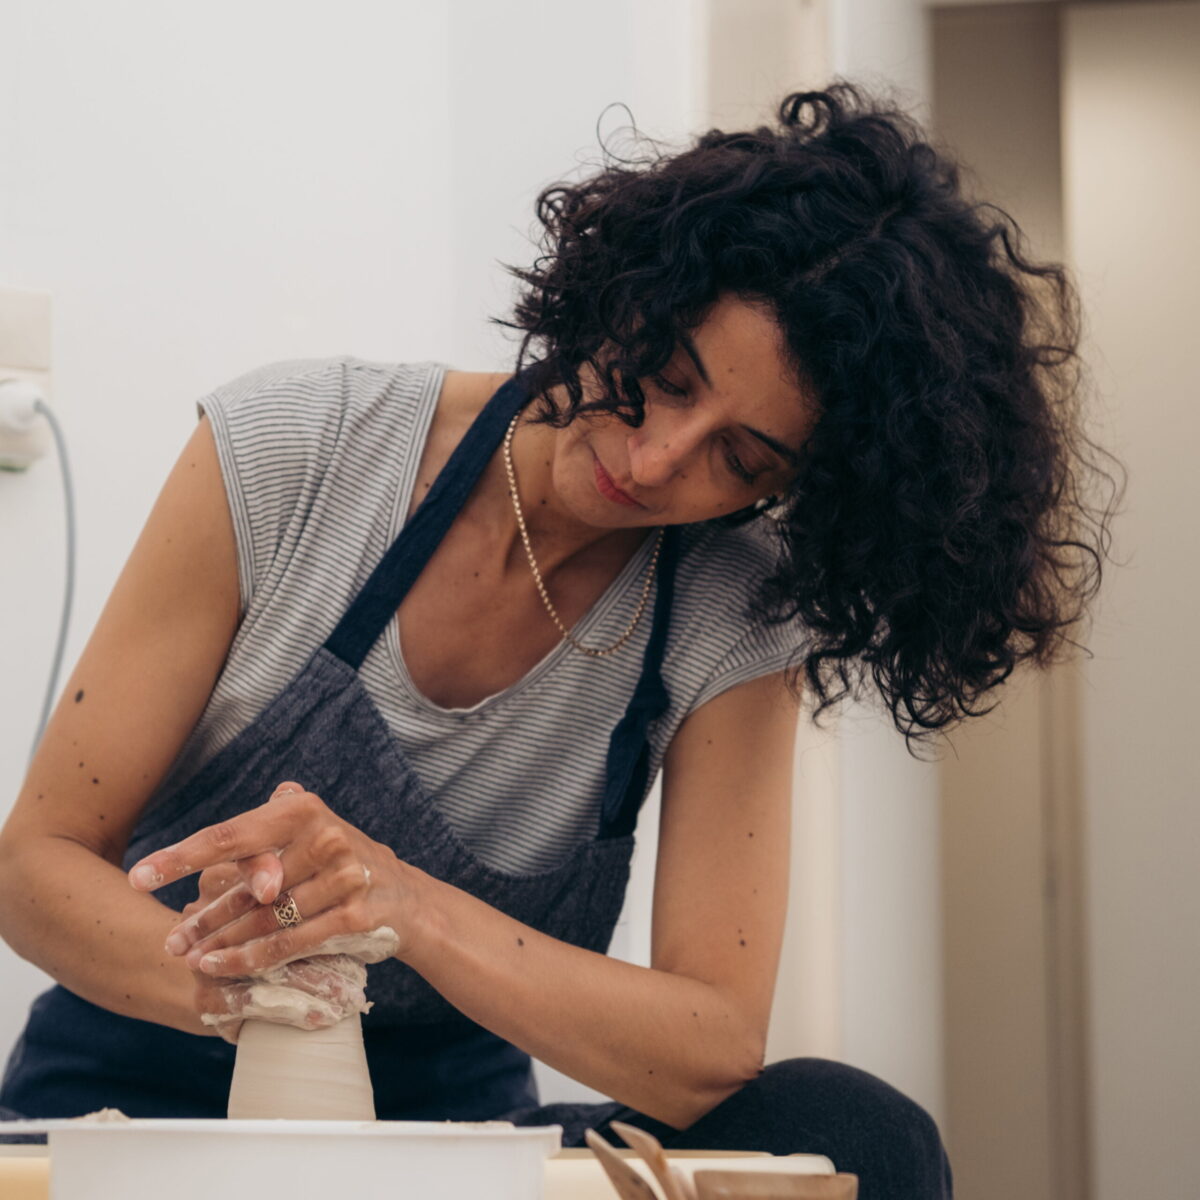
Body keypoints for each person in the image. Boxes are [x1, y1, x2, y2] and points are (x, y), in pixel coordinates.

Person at [0, 84, 1121, 1197]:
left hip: (456, 1144)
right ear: (628, 289)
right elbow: (34, 870)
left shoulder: (735, 615)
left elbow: (710, 1041)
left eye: (742, 460)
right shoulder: (297, 446)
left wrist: (406, 906)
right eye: (666, 379)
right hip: (127, 1096)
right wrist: (268, 996)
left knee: (856, 1131)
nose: (654, 460)